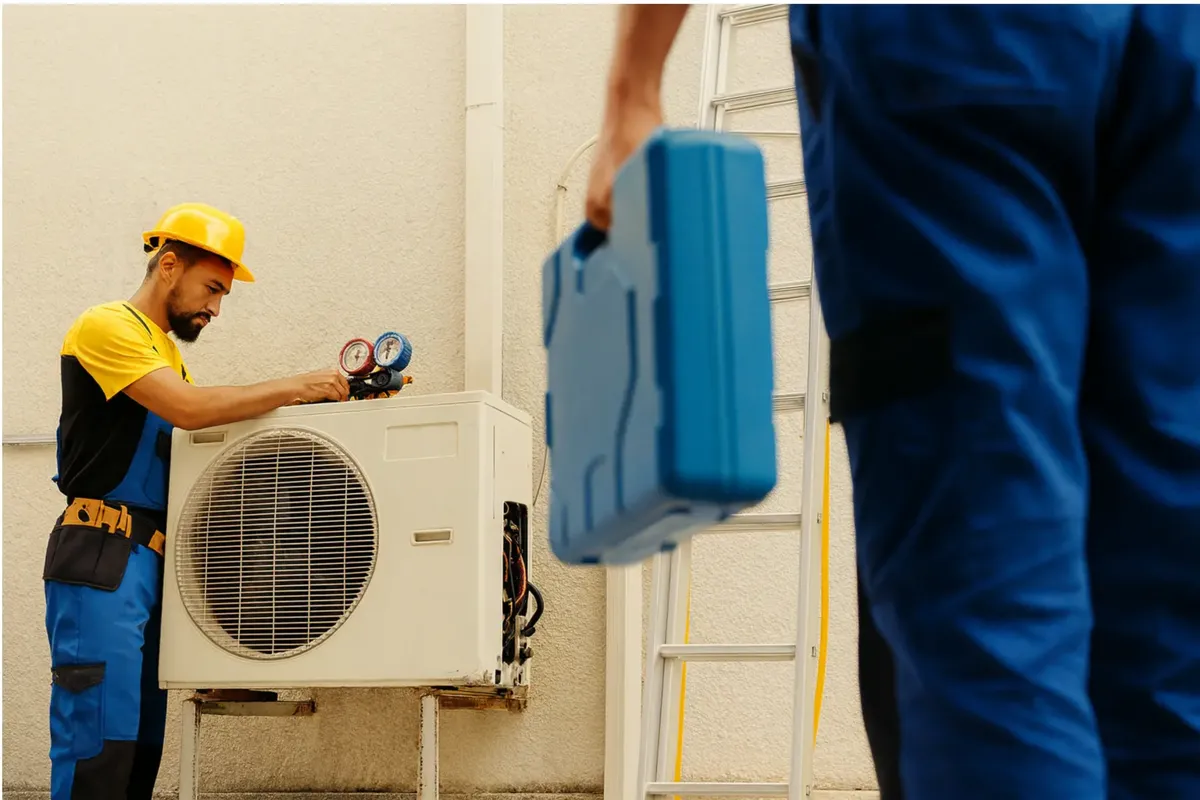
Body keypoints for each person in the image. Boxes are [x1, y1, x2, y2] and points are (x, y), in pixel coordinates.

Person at [584, 5, 1200, 799]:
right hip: (1177, 47)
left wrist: (632, 89)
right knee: (1171, 616)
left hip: (958, 42)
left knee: (991, 611)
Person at [42, 202, 350, 800]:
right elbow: (190, 408)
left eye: (224, 296)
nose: (215, 307)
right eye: (212, 288)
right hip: (100, 554)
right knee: (97, 744)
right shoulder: (107, 326)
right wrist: (300, 384)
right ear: (169, 266)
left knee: (140, 747)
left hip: (149, 561)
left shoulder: (165, 353)